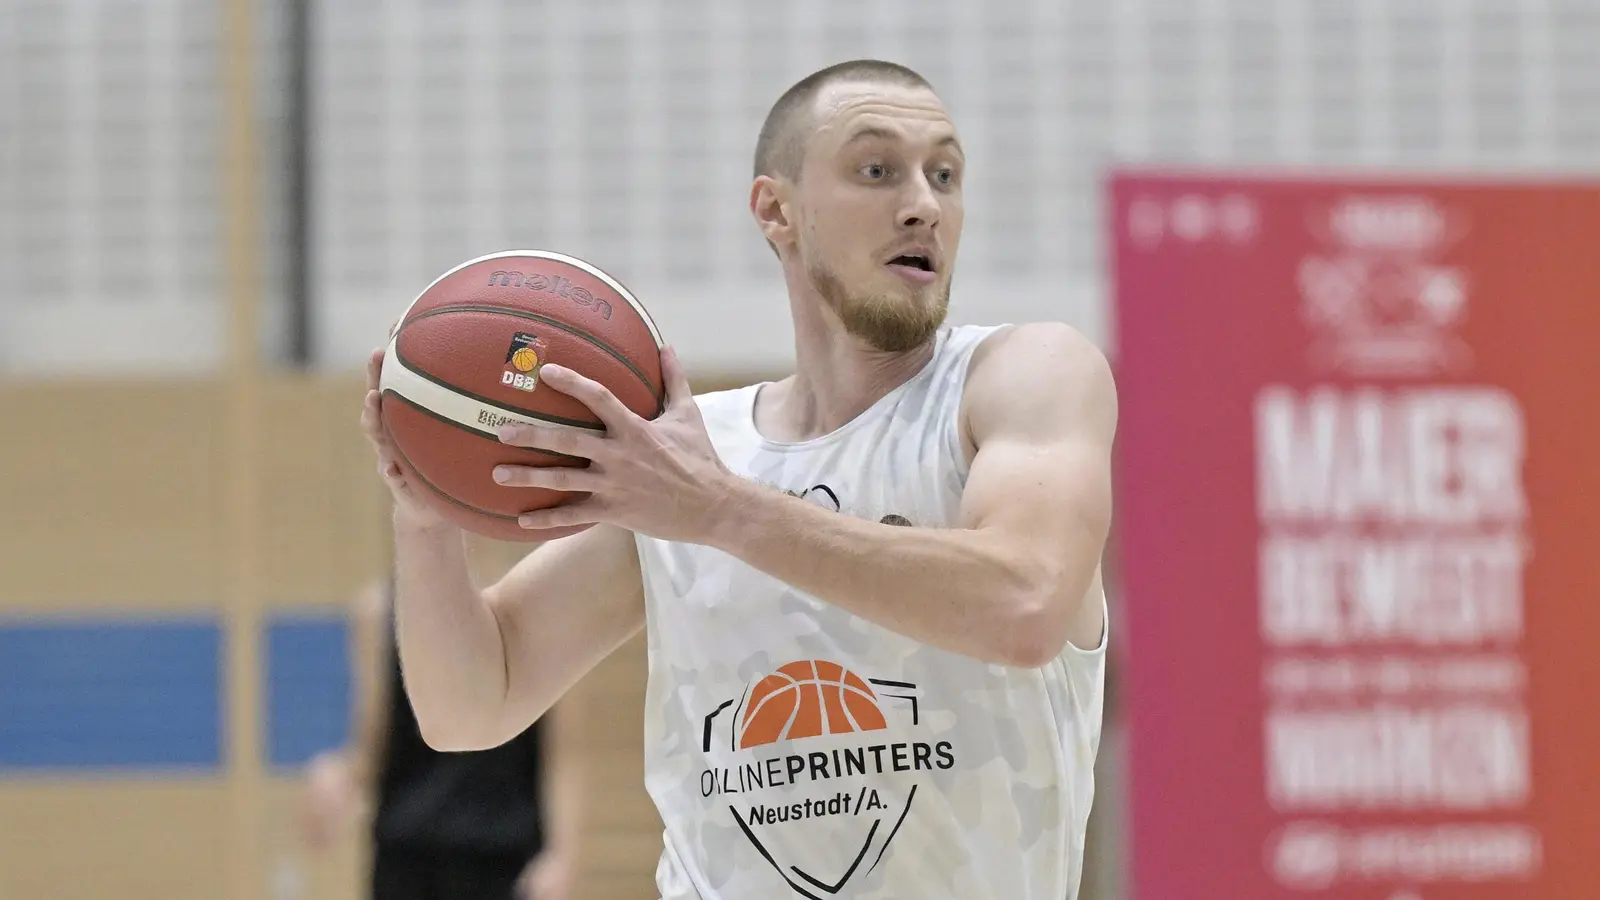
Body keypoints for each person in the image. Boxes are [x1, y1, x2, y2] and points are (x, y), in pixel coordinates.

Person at [359, 58, 1117, 900]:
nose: (923, 204)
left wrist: (718, 510)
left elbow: (1023, 606)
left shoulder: (1023, 376)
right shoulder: (686, 455)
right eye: (877, 169)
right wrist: (425, 518)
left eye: (945, 174)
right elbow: (471, 705)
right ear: (776, 211)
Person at [299, 577, 583, 900]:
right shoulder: (378, 612)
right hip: (407, 854)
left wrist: (562, 856)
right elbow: (371, 746)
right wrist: (339, 775)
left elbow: (562, 754)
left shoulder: (539, 607)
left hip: (505, 856)